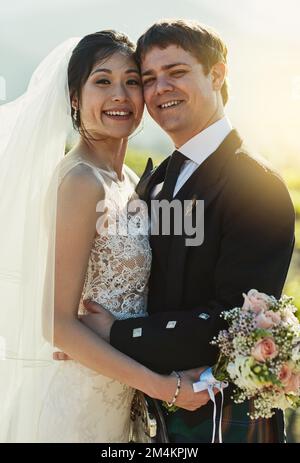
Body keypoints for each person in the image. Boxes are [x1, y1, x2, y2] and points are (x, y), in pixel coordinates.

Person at [64, 20, 295, 443]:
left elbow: (230, 321)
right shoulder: (157, 179)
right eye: (149, 78)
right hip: (151, 410)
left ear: (218, 75)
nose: (159, 88)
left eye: (177, 72)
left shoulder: (256, 183)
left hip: (220, 415)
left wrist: (114, 335)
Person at [0, 30, 213, 443]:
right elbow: (57, 325)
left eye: (132, 81)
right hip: (75, 403)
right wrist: (164, 386)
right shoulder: (80, 182)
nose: (121, 94)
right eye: (103, 81)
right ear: (75, 98)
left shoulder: (127, 181)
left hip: (117, 397)